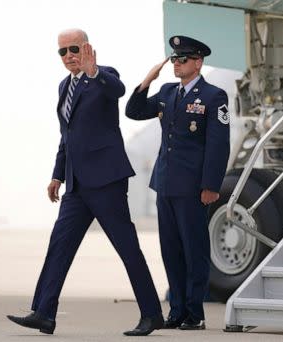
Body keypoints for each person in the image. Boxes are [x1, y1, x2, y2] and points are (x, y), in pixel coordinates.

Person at [6, 29, 163, 337]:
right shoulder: (64, 86)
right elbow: (68, 137)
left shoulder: (103, 75)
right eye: (62, 52)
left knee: (128, 249)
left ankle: (152, 314)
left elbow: (117, 91)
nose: (69, 56)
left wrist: (94, 72)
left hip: (106, 181)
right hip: (76, 187)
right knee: (59, 247)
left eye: (74, 48)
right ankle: (44, 313)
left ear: (88, 48)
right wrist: (57, 175)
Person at [125, 35, 230, 330]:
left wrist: (211, 185)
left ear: (197, 63)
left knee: (193, 249)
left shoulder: (213, 96)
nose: (176, 64)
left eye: (182, 59)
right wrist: (147, 80)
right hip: (165, 183)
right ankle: (177, 311)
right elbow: (133, 111)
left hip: (193, 187)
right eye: (174, 59)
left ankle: (194, 313)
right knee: (170, 249)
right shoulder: (167, 92)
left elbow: (218, 145)